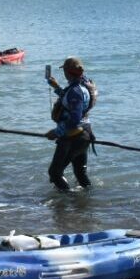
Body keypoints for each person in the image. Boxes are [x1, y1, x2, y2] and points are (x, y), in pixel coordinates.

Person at [45, 56, 97, 191]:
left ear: (67, 72)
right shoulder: (82, 85)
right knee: (80, 172)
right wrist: (56, 87)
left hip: (73, 137)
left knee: (55, 174)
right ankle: (86, 203)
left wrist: (57, 132)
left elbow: (74, 118)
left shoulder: (75, 91)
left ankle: (68, 204)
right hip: (85, 134)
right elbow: (71, 102)